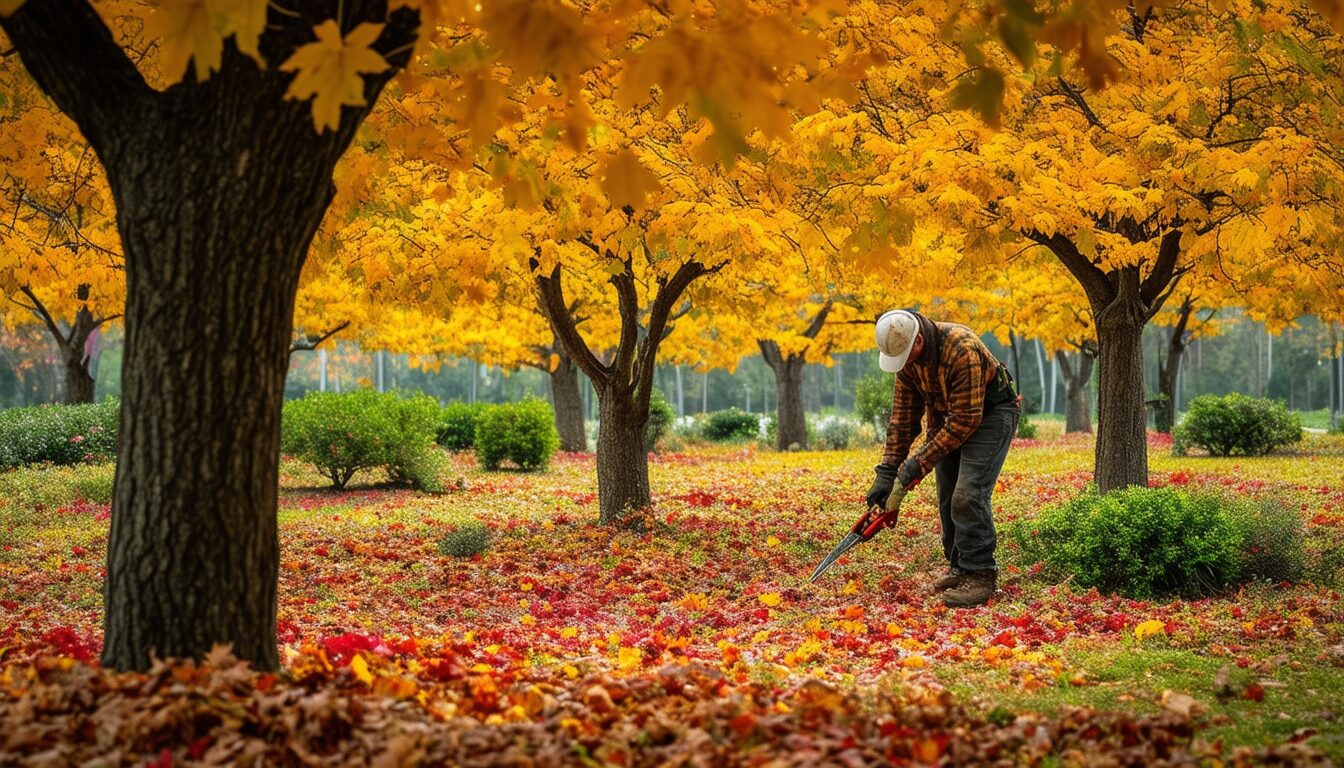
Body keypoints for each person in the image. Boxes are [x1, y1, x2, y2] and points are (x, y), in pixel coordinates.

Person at [866, 309, 1019, 608]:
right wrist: (887, 471)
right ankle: (959, 567)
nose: (905, 364)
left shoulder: (961, 348)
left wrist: (917, 463)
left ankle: (980, 574)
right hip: (948, 417)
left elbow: (966, 419)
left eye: (907, 356)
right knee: (948, 496)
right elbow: (903, 419)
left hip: (990, 415)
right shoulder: (906, 356)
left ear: (919, 339)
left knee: (967, 494)